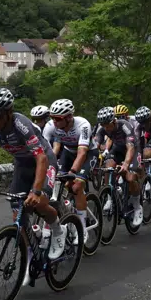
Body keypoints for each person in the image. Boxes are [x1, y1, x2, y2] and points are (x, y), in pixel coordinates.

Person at [0, 88, 64, 278]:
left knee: (40, 202)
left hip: (44, 161)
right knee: (18, 211)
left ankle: (58, 229)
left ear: (8, 114)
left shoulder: (21, 125)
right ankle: (31, 253)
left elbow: (41, 158)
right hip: (22, 164)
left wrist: (35, 191)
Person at [42, 99, 95, 234]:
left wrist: (72, 172)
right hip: (68, 152)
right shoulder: (50, 126)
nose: (54, 122)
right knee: (55, 184)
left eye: (58, 118)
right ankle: (66, 211)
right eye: (52, 118)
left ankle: (82, 228)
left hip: (88, 153)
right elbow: (43, 153)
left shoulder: (82, 125)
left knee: (76, 186)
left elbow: (82, 152)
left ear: (69, 117)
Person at [95, 106, 144, 229]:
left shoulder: (124, 126)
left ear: (114, 121)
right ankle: (109, 196)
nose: (105, 127)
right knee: (108, 167)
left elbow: (131, 147)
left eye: (107, 124)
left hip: (132, 150)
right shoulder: (102, 128)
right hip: (117, 149)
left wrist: (126, 164)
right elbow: (95, 144)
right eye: (103, 124)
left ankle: (137, 206)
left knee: (130, 177)